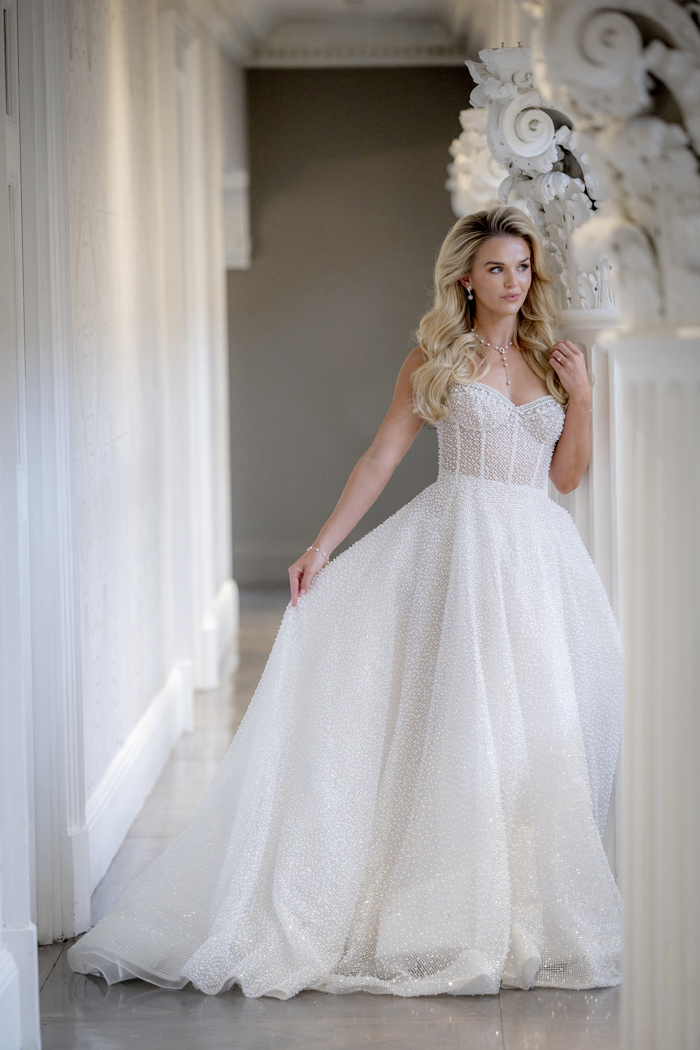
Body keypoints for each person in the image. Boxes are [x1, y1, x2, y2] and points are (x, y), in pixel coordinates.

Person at [68, 206, 623, 999]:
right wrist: (321, 547)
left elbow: (567, 479)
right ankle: (439, 914)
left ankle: (516, 912)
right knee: (458, 727)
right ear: (465, 276)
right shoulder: (435, 357)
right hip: (458, 551)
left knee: (533, 734)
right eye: (497, 268)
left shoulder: (552, 357)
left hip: (535, 563)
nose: (513, 281)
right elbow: (381, 457)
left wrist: (584, 396)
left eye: (523, 268)